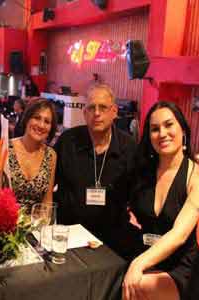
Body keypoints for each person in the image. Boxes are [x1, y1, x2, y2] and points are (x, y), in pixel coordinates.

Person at [122, 101, 199, 300]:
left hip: (181, 266)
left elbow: (179, 234)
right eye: (155, 129)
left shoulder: (197, 177)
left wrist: (138, 264)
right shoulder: (144, 171)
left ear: (183, 129)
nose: (162, 133)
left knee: (136, 287)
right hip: (146, 254)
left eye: (169, 125)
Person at [54, 84, 142, 260]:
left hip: (113, 239)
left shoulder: (129, 147)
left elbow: (138, 194)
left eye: (103, 107)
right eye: (91, 108)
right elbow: (46, 183)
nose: (96, 113)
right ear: (84, 113)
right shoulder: (67, 142)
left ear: (114, 111)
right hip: (70, 237)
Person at [0, 99, 57, 212]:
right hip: (4, 226)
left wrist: (43, 224)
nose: (41, 125)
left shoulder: (51, 156)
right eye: (37, 118)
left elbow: (47, 200)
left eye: (47, 121)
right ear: (27, 119)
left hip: (36, 226)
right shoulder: (4, 149)